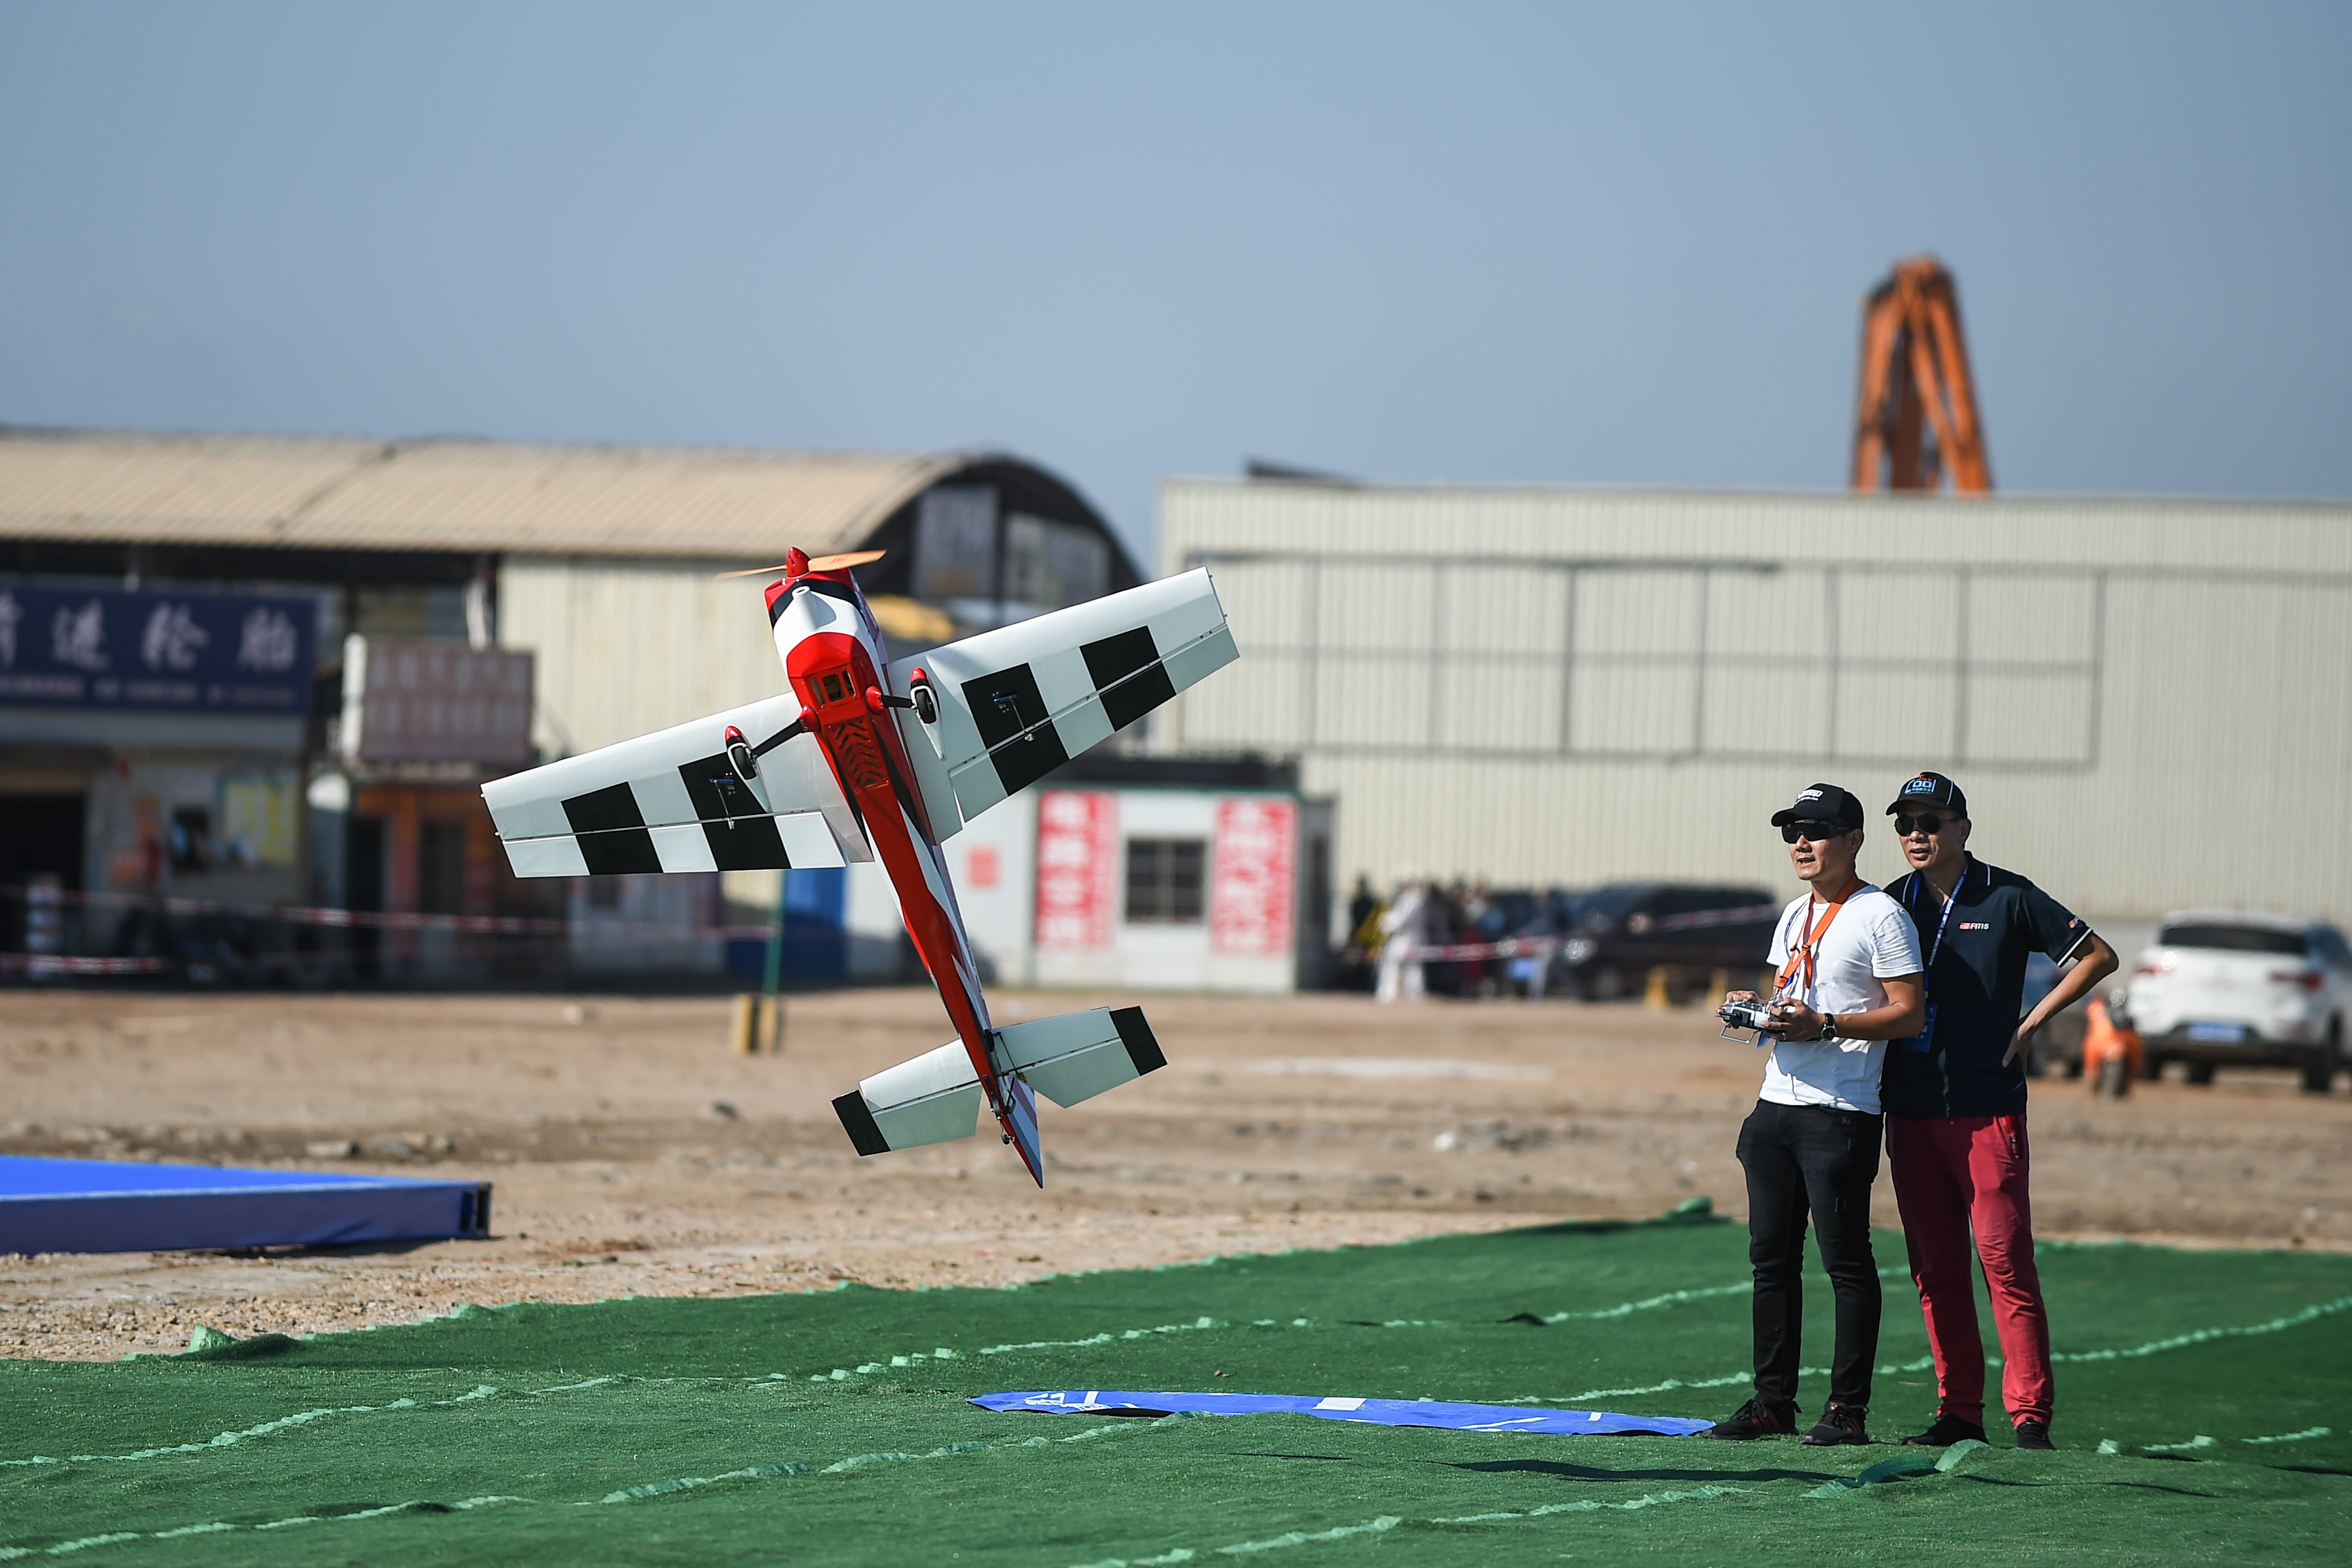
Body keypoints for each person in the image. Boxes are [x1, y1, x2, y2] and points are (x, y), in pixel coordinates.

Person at [1877, 772, 2118, 1452]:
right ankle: (1959, 1410)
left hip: (1987, 1109)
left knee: (2004, 1261)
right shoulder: (1889, 902)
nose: (1916, 834)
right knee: (1935, 1267)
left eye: (1930, 821)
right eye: (1906, 824)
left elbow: (2098, 955)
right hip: (1912, 1107)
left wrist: (2033, 1020)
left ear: (1963, 828)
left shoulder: (2006, 894)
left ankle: (2029, 1414)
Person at [1705, 784, 1925, 1446]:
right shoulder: (1795, 912)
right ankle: (1772, 1401)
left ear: (1855, 840)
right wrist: (1757, 1005)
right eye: (1792, 831)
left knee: (1845, 1263)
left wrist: (1826, 1024)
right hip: (1776, 1103)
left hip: (1840, 1111)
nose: (1801, 842)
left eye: (1817, 830)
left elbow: (1909, 1012)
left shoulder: (1880, 913)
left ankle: (1847, 1410)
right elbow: (1791, 996)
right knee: (1770, 1261)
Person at [1373, 870, 1428, 1004]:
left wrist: (1388, 922)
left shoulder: (1415, 899)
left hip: (1409, 938)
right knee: (1391, 965)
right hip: (1402, 938)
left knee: (1411, 967)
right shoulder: (1404, 898)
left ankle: (1414, 996)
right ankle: (1388, 995)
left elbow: (1404, 919)